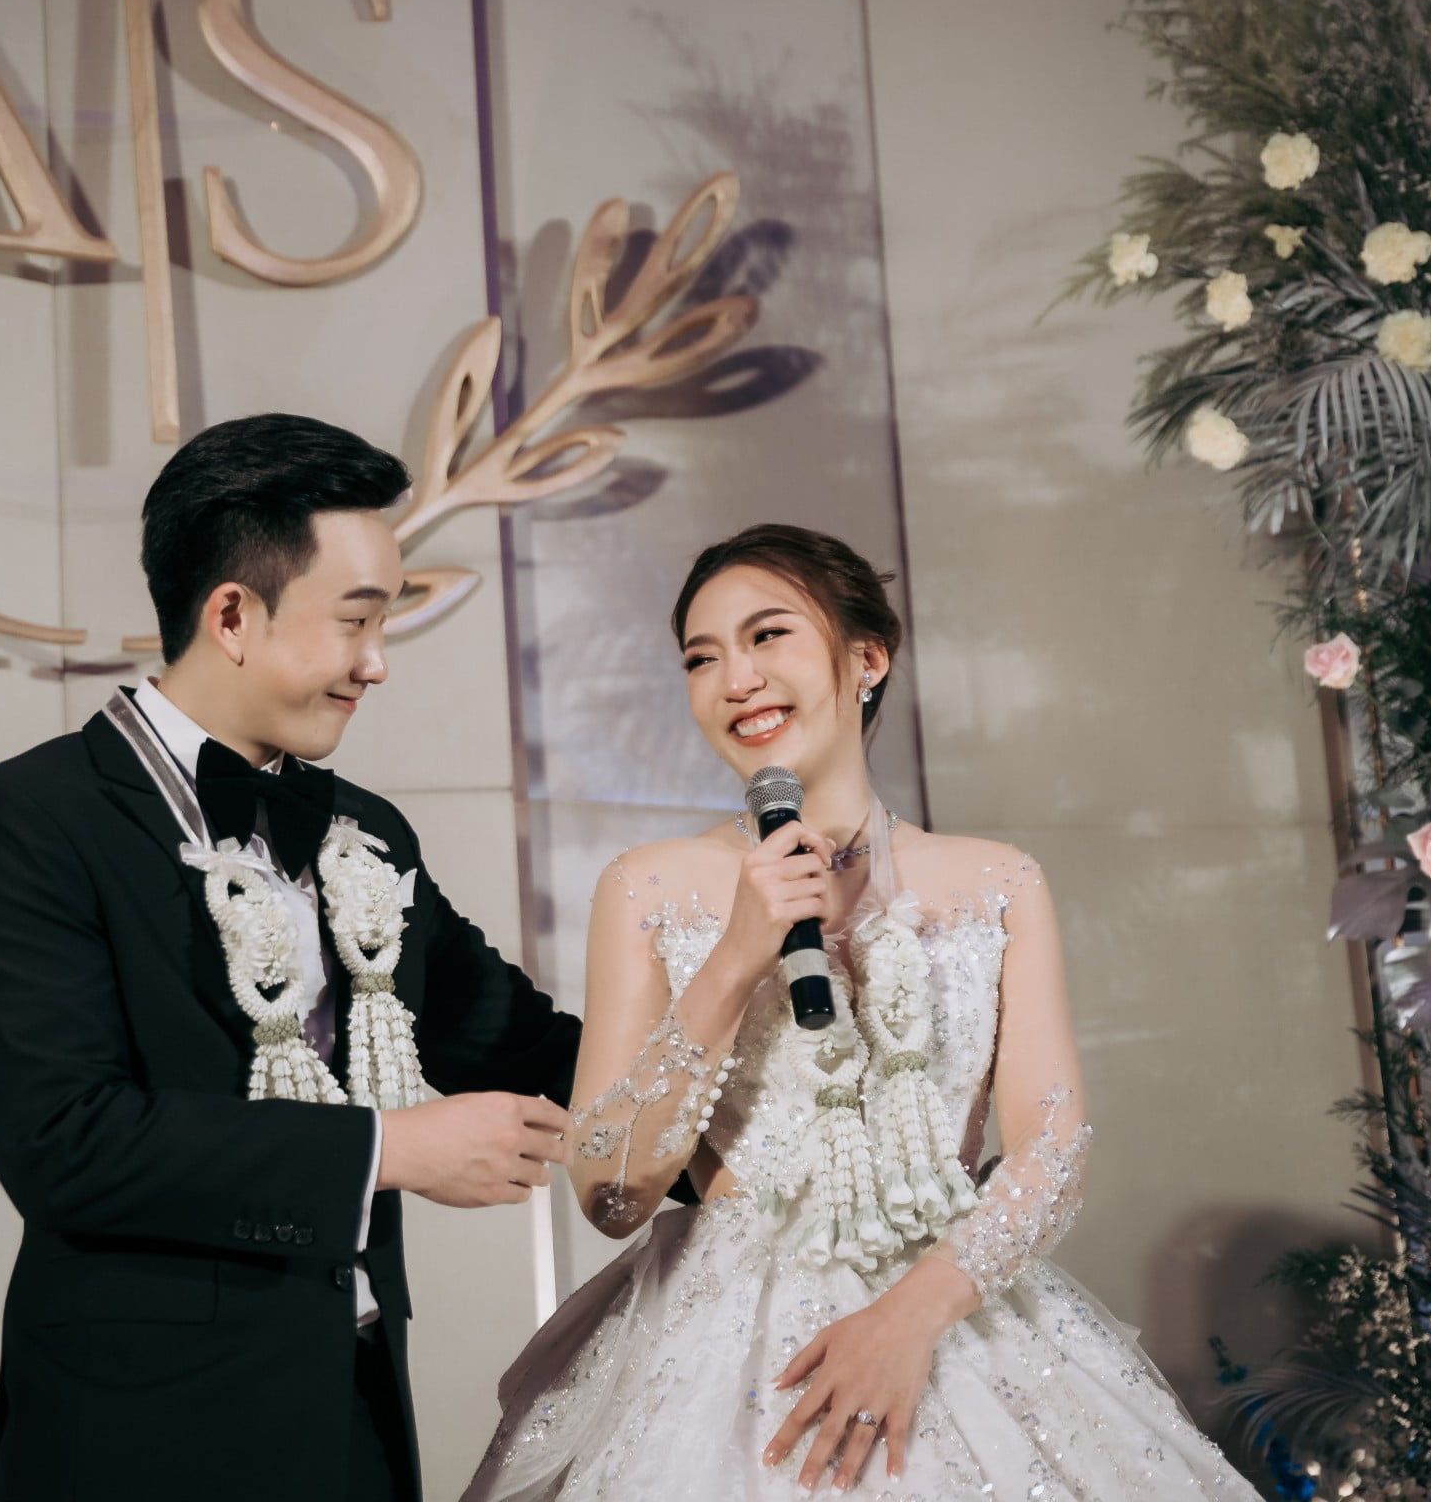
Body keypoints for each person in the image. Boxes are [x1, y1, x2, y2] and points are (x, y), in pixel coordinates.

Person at [466, 524, 1261, 1499]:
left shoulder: (998, 881)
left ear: (866, 659)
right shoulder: (649, 886)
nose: (736, 679)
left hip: (958, 1322)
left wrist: (909, 1318)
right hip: (721, 1348)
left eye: (768, 636)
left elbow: (1052, 1152)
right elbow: (609, 1193)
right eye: (701, 658)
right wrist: (736, 956)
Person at [0, 413, 582, 1502]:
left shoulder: (365, 830)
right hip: (138, 1435)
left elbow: (519, 1043)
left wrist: (758, 1105)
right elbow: (67, 1140)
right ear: (231, 614)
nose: (377, 664)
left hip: (356, 1420)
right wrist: (388, 1148)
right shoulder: (24, 821)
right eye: (356, 621)